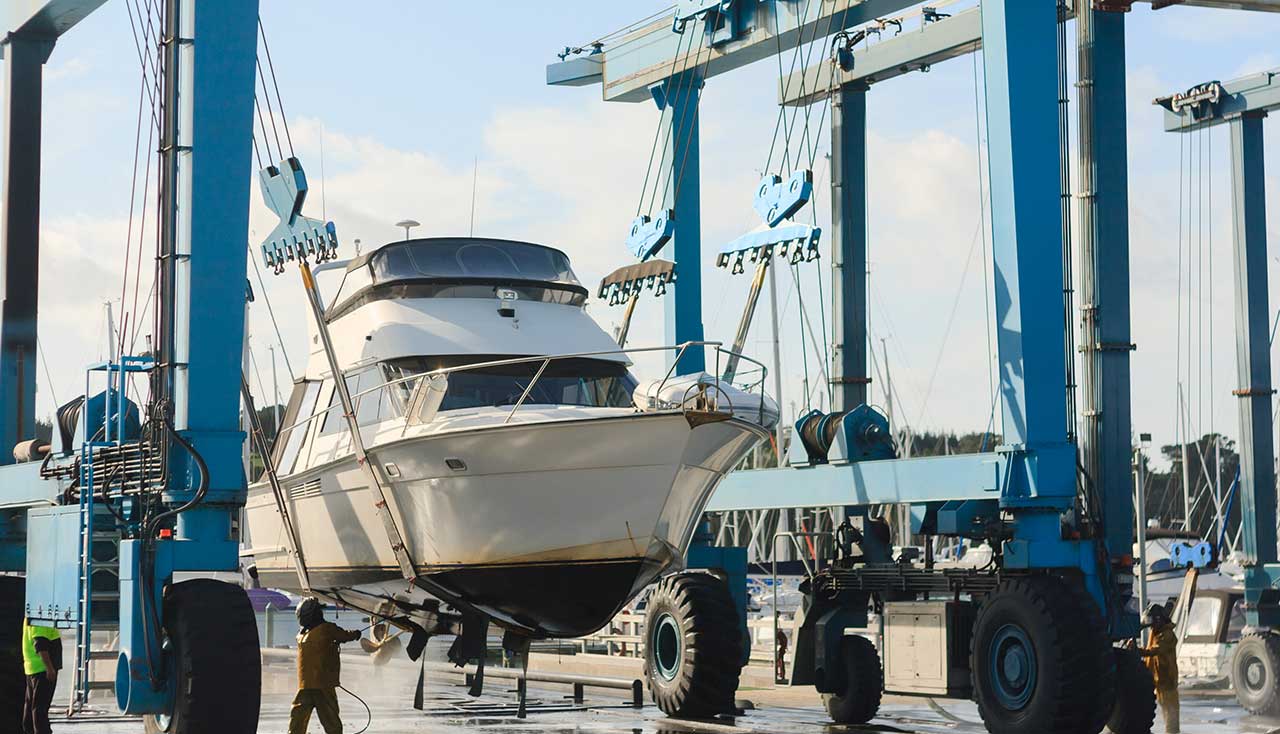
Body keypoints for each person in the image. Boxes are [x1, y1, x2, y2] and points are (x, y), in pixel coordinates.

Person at [289, 597, 363, 734]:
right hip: (322, 685)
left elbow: (341, 636)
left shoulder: (301, 635)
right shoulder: (326, 629)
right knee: (330, 720)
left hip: (306, 685)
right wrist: (356, 634)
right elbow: (345, 635)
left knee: (298, 718)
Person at [1139, 604, 1180, 734]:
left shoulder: (1167, 634)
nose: (1150, 626)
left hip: (1167, 680)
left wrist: (1138, 651)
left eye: (1152, 622)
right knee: (1164, 710)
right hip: (1157, 679)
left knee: (1170, 715)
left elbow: (1155, 650)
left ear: (1158, 619)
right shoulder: (1155, 632)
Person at [21, 618, 61, 734]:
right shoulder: (41, 617)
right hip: (42, 670)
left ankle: (30, 730)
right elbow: (40, 645)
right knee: (40, 709)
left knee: (31, 707)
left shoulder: (31, 616)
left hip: (33, 668)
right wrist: (49, 668)